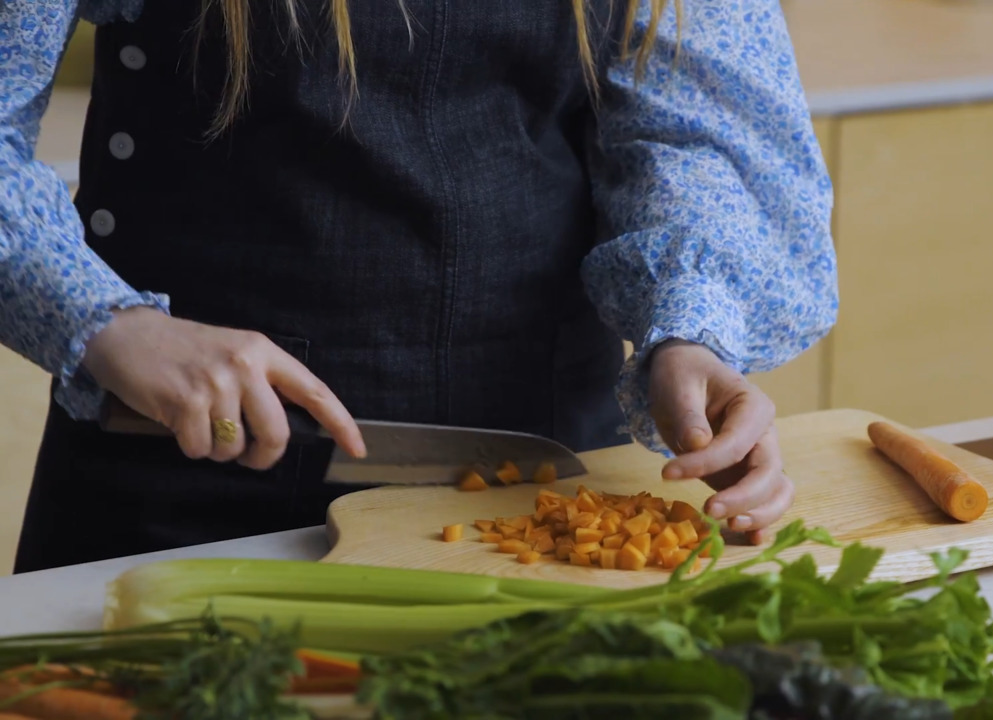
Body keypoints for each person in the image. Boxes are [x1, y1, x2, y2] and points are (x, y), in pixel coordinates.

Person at [0, 0, 837, 573]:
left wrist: (688, 331)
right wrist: (107, 323)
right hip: (176, 498)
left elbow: (688, 130)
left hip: (545, 504)